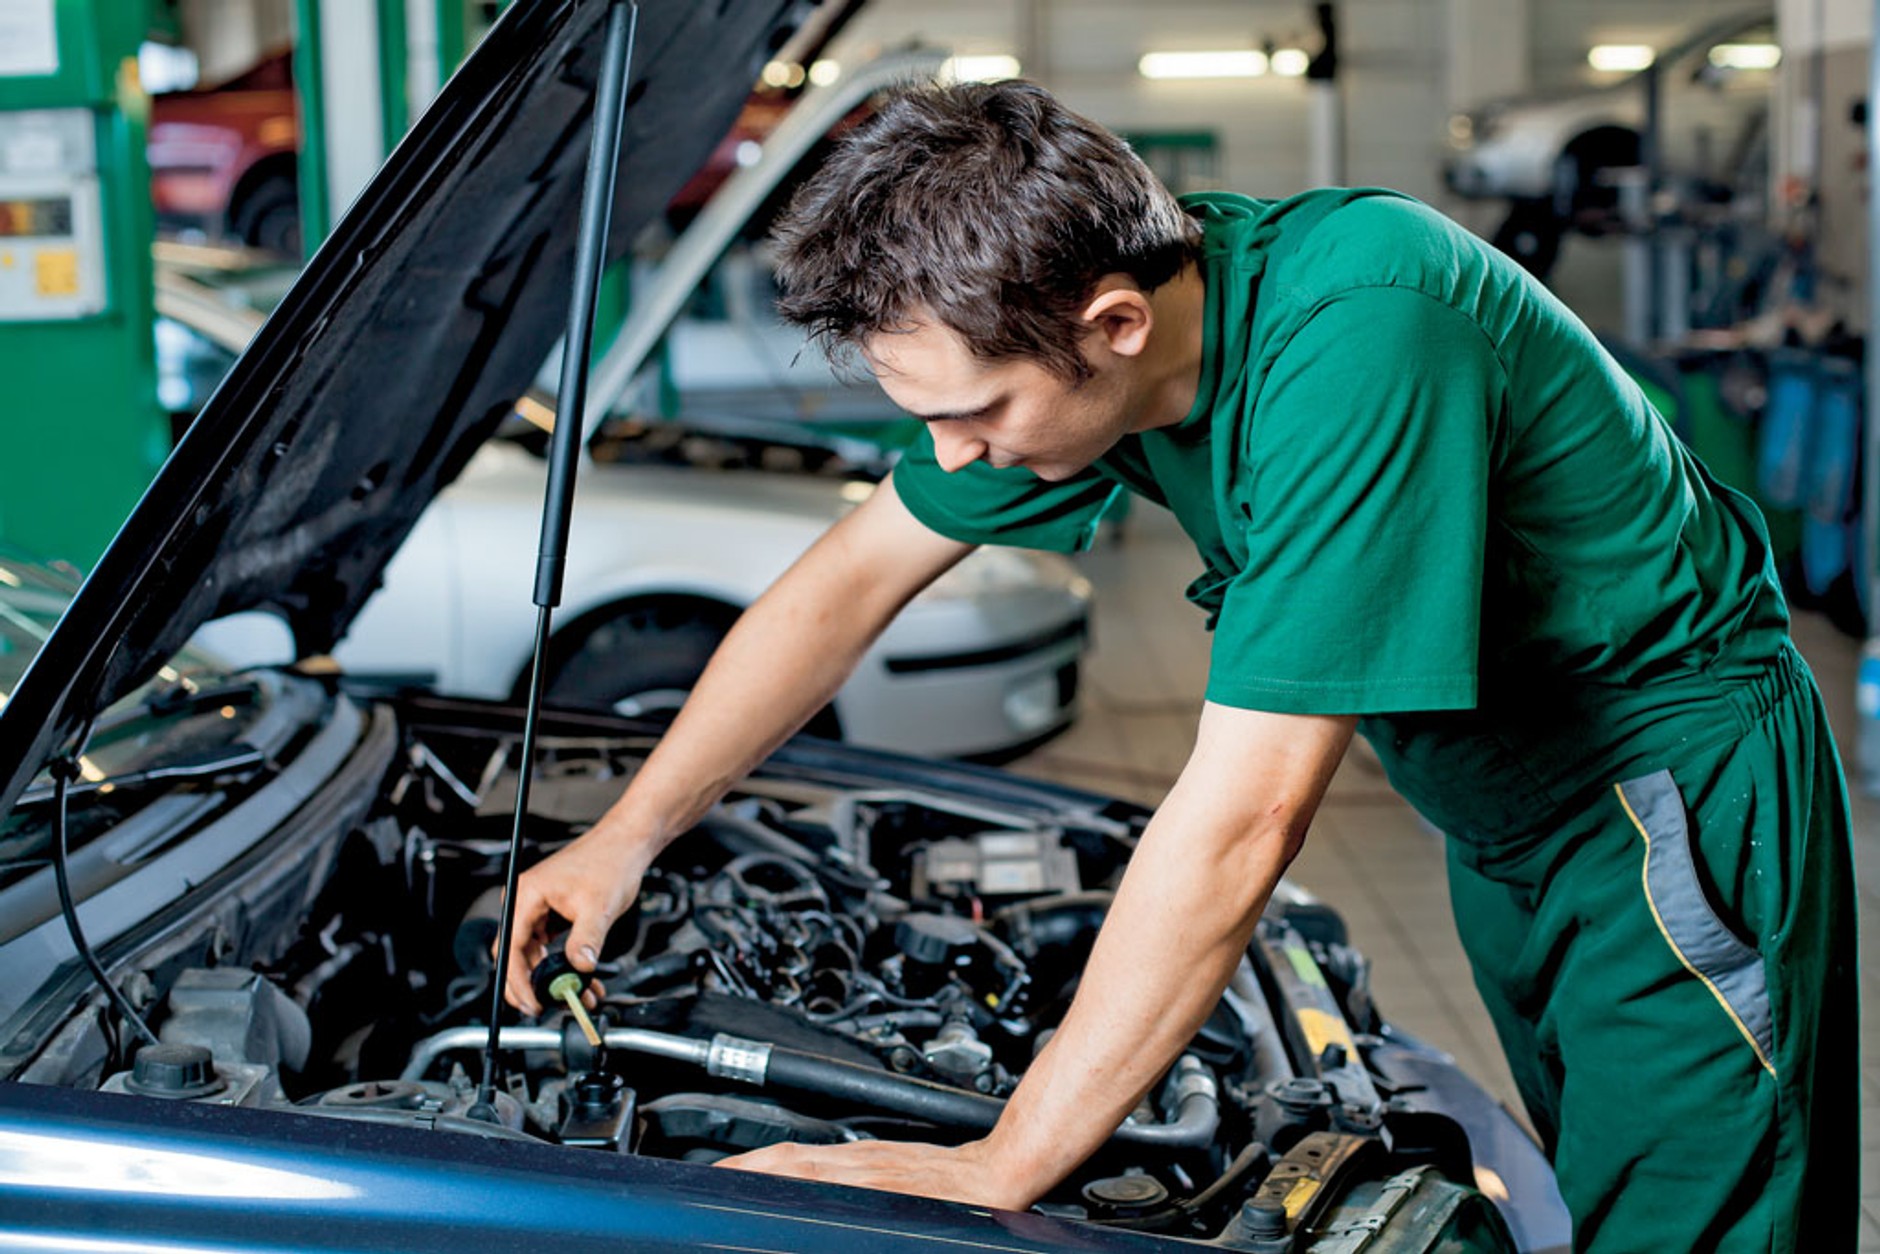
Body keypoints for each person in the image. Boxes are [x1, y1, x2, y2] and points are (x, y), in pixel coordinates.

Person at [503, 80, 1856, 1251]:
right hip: (1509, 823)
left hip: (1663, 803)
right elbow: (853, 577)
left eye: (973, 414)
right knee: (1608, 1186)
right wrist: (628, 834)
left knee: (1699, 1220)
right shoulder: (1120, 342)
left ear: (1114, 323)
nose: (957, 454)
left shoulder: (1358, 331)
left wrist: (1008, 1158)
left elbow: (1249, 811)